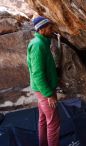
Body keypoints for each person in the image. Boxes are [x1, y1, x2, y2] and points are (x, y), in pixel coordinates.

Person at [27, 16, 60, 146]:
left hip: (42, 89)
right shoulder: (38, 45)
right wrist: (49, 94)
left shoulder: (42, 42)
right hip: (44, 90)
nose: (52, 30)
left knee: (43, 119)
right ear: (41, 29)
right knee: (53, 123)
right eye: (49, 28)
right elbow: (37, 73)